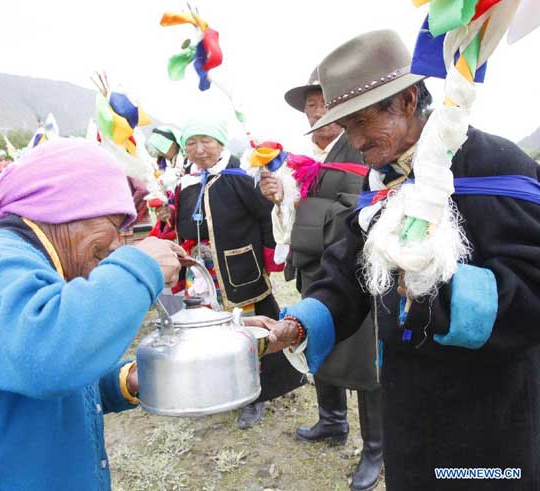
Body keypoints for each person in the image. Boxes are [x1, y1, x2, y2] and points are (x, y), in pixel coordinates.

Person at [246, 30, 540, 490]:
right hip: (409, 411)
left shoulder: (496, 165)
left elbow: (533, 285)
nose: (356, 141)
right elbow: (347, 269)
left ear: (405, 101)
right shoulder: (381, 180)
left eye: (362, 122)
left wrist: (442, 290)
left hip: (490, 415)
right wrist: (301, 323)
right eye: (347, 127)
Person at [0, 138, 185, 490]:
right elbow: (48, 356)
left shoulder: (32, 262)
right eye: (113, 224)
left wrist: (126, 382)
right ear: (66, 210)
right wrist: (140, 267)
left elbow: (48, 385)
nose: (117, 243)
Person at [259, 67, 382, 491]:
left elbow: (363, 209)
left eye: (322, 103)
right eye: (310, 105)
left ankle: (376, 449)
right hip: (314, 269)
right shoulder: (303, 157)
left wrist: (304, 212)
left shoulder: (363, 147)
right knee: (316, 341)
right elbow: (293, 219)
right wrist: (281, 201)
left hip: (356, 273)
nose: (315, 112)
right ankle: (332, 421)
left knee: (364, 362)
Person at [174, 120, 305, 429]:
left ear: (221, 144)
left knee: (249, 331)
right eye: (191, 143)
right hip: (202, 273)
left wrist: (272, 255)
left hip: (239, 269)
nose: (199, 149)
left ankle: (256, 394)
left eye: (206, 140)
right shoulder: (187, 182)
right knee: (210, 329)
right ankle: (222, 385)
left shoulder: (240, 176)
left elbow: (265, 217)